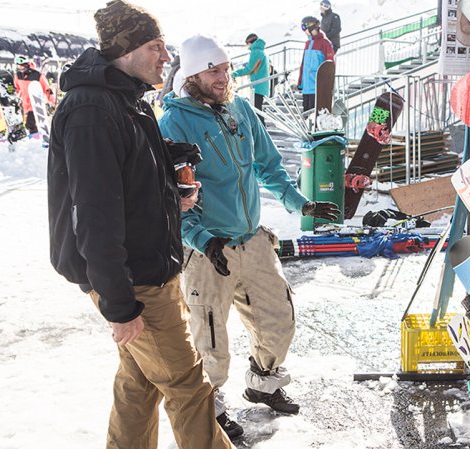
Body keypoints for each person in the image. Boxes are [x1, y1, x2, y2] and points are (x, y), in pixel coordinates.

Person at [46, 2, 235, 448]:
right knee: (188, 387)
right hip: (135, 279)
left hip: (147, 266)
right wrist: (119, 302)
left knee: (140, 382)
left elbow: (128, 168)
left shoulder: (125, 100)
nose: (166, 58)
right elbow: (94, 212)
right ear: (125, 49)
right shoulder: (92, 110)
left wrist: (170, 171)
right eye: (156, 47)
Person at [159, 34, 340, 434]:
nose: (223, 77)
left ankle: (263, 384)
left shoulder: (239, 108)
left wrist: (302, 204)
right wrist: (203, 240)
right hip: (208, 248)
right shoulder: (173, 122)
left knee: (279, 318)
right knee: (209, 336)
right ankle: (210, 408)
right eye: (213, 70)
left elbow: (269, 166)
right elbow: (174, 196)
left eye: (225, 68)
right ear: (192, 75)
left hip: (252, 238)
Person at [297, 16, 335, 112]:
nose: (304, 31)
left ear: (311, 27)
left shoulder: (325, 43)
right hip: (306, 88)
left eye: (304, 28)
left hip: (318, 89)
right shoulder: (307, 43)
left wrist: (327, 85)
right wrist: (300, 83)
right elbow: (303, 65)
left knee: (315, 118)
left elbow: (330, 65)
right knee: (306, 118)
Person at [231, 33, 269, 124]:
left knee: (257, 111)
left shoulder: (256, 52)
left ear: (250, 42)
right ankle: (261, 130)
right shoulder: (261, 51)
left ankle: (262, 131)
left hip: (257, 85)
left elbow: (249, 69)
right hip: (261, 85)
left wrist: (234, 74)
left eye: (247, 43)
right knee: (257, 109)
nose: (247, 46)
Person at [13, 55, 54, 134]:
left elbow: (47, 89)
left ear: (27, 64)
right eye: (19, 66)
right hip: (24, 105)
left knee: (30, 124)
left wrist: (51, 102)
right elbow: (17, 89)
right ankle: (35, 138)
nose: (21, 68)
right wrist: (15, 99)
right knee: (27, 125)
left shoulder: (37, 75)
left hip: (35, 104)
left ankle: (35, 139)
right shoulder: (17, 76)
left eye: (22, 66)